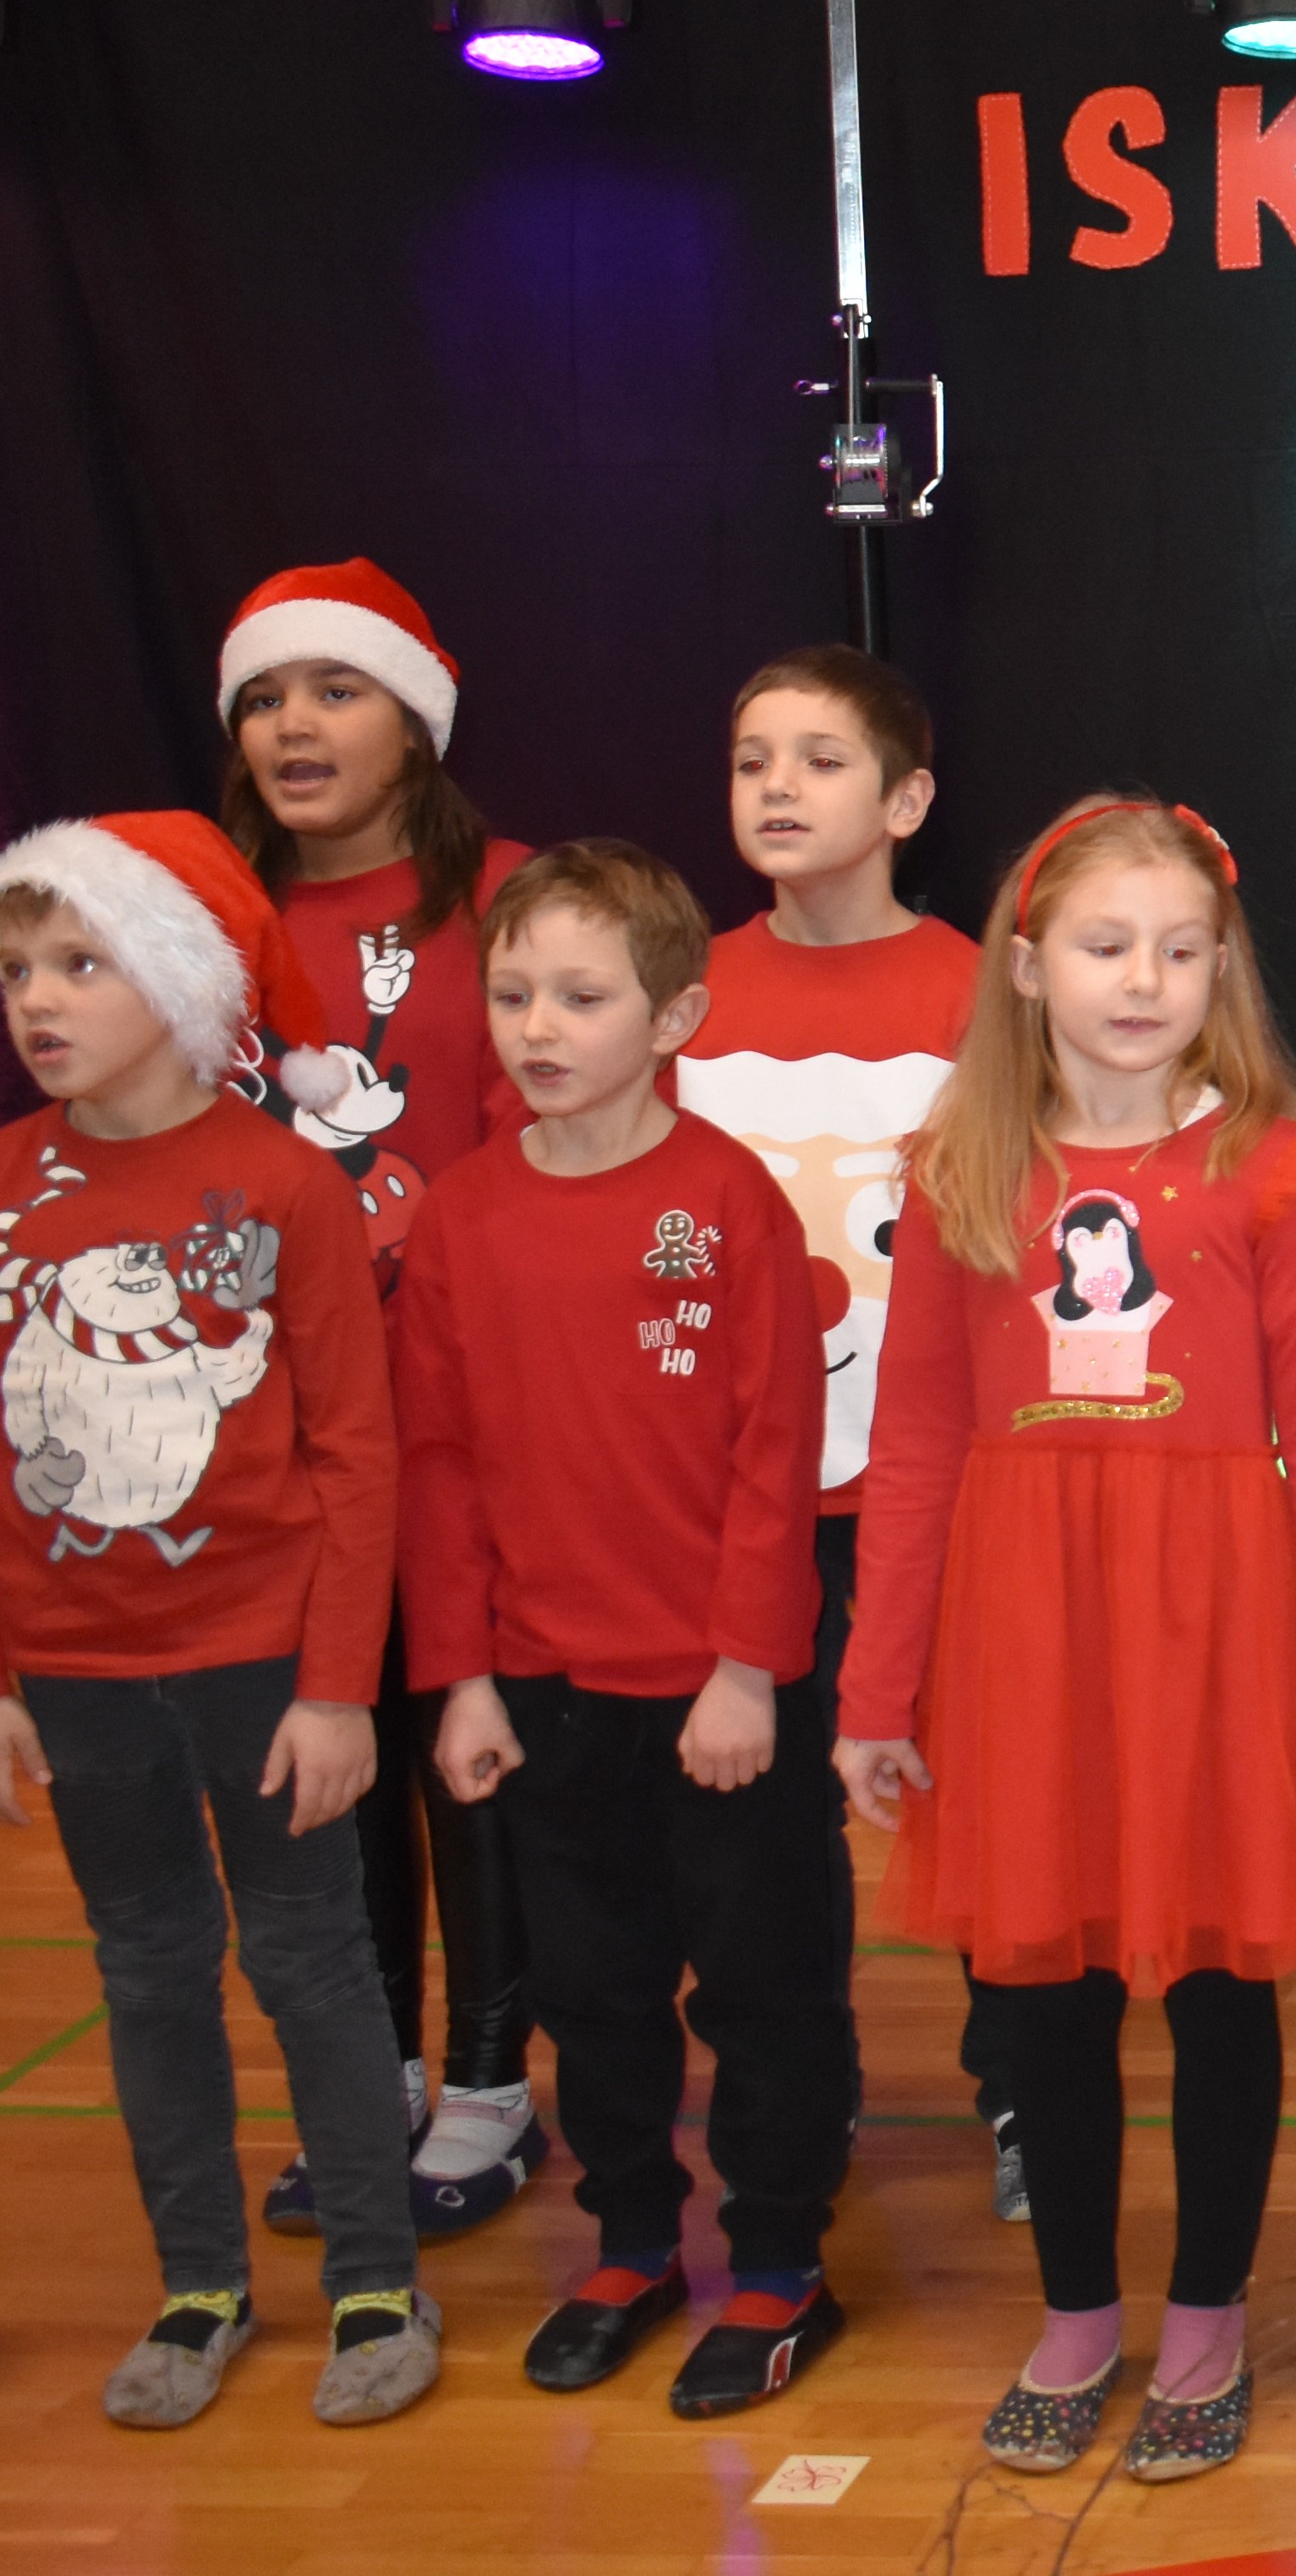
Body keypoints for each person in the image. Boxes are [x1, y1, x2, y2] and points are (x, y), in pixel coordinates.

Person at [835, 797, 1296, 2486]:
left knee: (1223, 1983)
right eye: (1104, 945)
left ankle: (1208, 2316)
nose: (1142, 980)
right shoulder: (963, 1170)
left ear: (1222, 968)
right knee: (1046, 1990)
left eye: (1177, 948)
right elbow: (914, 1444)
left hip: (1216, 1632)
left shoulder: (1277, 1172)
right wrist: (876, 1686)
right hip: (1023, 1636)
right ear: (1027, 968)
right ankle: (1077, 2312)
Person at [0, 811, 440, 2428]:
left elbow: (356, 1453)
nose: (38, 999)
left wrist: (338, 1689)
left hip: (264, 1663)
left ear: (179, 976)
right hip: (74, 1673)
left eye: (82, 963)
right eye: (18, 970)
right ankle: (199, 2283)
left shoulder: (283, 1183)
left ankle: (375, 2282)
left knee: (311, 1962)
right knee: (146, 1967)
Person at [396, 844, 848, 2415]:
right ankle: (636, 2242)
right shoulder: (461, 1218)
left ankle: (779, 2260)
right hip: (543, 1689)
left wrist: (745, 1669)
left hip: (721, 1697)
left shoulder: (723, 1203)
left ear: (674, 1019)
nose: (539, 1027)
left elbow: (774, 1453)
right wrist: (461, 1679)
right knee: (591, 1990)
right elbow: (438, 1463)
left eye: (582, 998)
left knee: (764, 1985)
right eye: (514, 993)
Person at [213, 560, 544, 2239]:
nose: (295, 725)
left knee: (462, 1739)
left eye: (334, 690)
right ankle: (379, 2076)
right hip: (278, 1430)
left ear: (415, 719)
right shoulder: (199, 920)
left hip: (470, 1414)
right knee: (325, 1748)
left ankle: (490, 2082)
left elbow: (563, 1153)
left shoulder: (514, 899)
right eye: (265, 698)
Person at [669, 645, 993, 2205]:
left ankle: (1023, 2083)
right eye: (753, 760)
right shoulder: (681, 989)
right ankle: (794, 2110)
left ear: (907, 801)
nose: (778, 788)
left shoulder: (984, 995)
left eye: (819, 760)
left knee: (980, 1801)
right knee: (757, 1844)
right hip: (740, 1504)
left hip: (938, 1493)